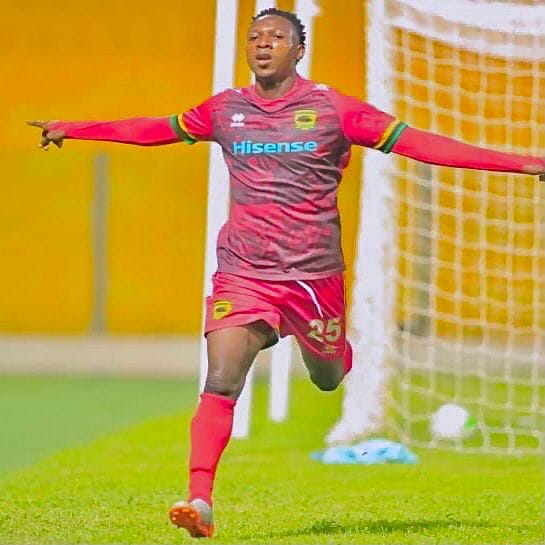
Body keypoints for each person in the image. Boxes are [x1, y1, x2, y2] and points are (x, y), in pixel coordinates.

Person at [28, 7, 544, 539]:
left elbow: (421, 144)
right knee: (221, 379)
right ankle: (200, 499)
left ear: (299, 50)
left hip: (313, 278)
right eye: (255, 36)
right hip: (244, 273)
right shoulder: (226, 110)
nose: (263, 44)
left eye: (276, 37)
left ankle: (331, 348)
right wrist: (76, 129)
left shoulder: (334, 110)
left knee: (327, 377)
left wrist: (522, 163)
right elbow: (157, 128)